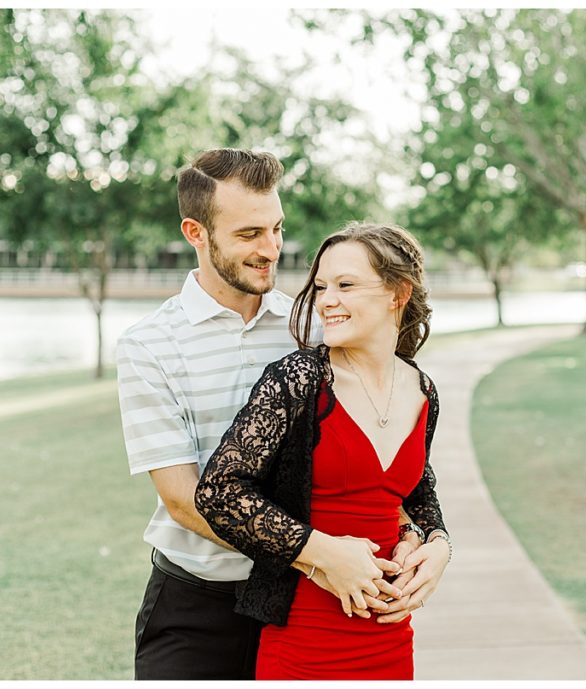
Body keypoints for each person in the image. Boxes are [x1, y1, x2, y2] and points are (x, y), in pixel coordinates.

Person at [115, 149, 432, 680]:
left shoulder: (314, 325)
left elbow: (392, 458)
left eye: (277, 229)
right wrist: (321, 555)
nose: (272, 249)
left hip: (309, 605)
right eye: (249, 235)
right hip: (201, 603)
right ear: (196, 232)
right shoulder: (149, 345)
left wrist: (429, 538)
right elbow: (183, 499)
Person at [195, 221, 452, 680]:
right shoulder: (298, 380)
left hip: (390, 638)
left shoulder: (422, 390)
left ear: (398, 292)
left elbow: (417, 493)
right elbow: (219, 492)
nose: (326, 300)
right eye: (321, 287)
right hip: (304, 638)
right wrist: (325, 553)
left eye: (345, 285)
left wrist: (438, 544)